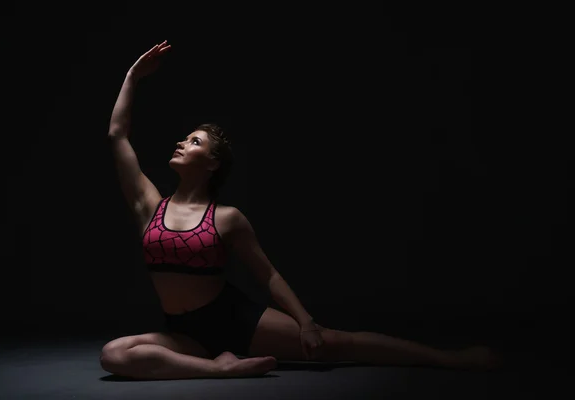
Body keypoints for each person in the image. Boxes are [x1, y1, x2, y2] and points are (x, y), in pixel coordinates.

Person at [99, 40, 501, 380]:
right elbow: (118, 135)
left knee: (339, 344)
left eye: (195, 141)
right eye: (185, 138)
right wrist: (133, 77)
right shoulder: (148, 204)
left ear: (213, 163)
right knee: (114, 355)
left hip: (233, 319)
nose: (183, 143)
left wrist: (306, 321)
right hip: (183, 332)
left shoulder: (227, 218)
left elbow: (267, 273)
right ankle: (220, 368)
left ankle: (451, 360)